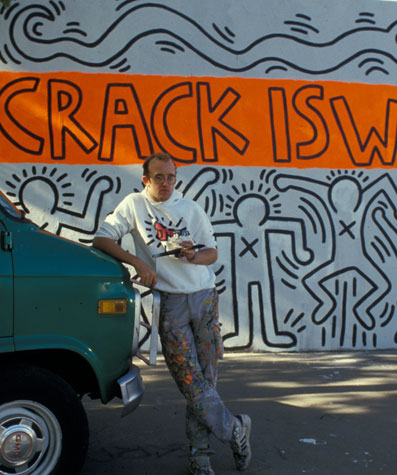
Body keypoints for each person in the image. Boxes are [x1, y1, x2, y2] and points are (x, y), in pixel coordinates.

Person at [92, 152, 252, 475]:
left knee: (206, 380)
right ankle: (235, 429)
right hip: (171, 304)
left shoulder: (190, 209)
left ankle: (200, 458)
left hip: (205, 299)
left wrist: (193, 256)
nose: (166, 184)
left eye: (171, 177)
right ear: (145, 180)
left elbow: (213, 253)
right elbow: (102, 239)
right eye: (159, 178)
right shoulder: (134, 205)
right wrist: (136, 262)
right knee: (190, 381)